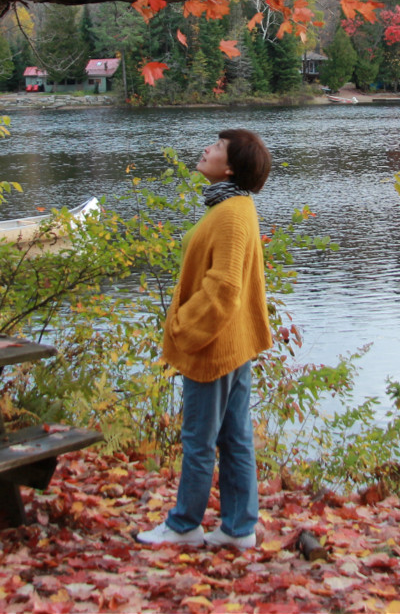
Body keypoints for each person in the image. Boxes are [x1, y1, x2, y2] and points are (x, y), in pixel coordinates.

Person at [137, 128, 273, 549]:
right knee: (234, 438)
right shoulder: (233, 205)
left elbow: (225, 287)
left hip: (214, 346)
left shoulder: (231, 213)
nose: (205, 150)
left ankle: (184, 526)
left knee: (198, 441)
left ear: (229, 167)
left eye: (215, 148)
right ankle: (238, 527)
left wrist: (183, 327)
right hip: (231, 343)